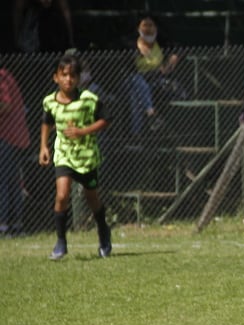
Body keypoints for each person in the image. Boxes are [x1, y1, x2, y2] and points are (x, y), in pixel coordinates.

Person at [39, 53, 111, 260]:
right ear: (56, 77)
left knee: (92, 198)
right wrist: (44, 147)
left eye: (72, 76)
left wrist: (83, 131)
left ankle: (103, 232)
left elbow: (106, 119)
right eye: (64, 75)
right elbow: (46, 122)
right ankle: (61, 242)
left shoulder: (89, 99)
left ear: (78, 79)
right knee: (62, 195)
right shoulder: (50, 102)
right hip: (63, 154)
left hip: (87, 156)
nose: (68, 79)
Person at [126, 15, 182, 136]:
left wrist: (173, 59)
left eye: (151, 25)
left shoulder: (161, 43)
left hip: (155, 80)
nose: (148, 29)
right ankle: (151, 114)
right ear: (138, 28)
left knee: (135, 97)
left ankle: (137, 136)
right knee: (137, 82)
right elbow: (126, 68)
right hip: (134, 80)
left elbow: (177, 48)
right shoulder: (131, 45)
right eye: (145, 25)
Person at [0, 65, 29, 236]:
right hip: (14, 136)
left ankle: (3, 226)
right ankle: (15, 225)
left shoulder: (1, 77)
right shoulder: (6, 75)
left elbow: (5, 105)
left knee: (3, 181)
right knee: (12, 181)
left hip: (7, 136)